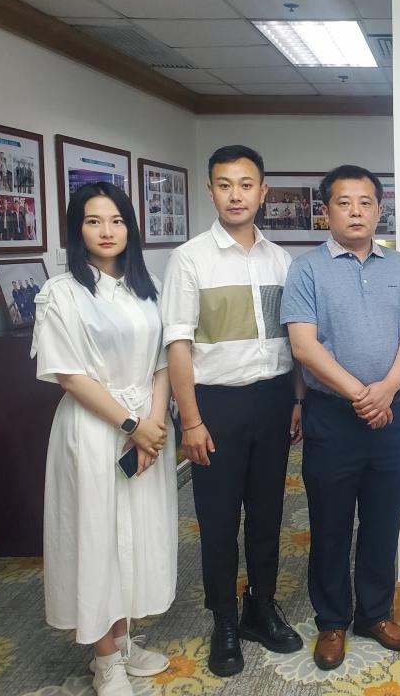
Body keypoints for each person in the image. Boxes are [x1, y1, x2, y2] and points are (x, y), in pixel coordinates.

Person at [162, 145, 303, 677]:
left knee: (267, 515)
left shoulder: (280, 259)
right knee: (218, 521)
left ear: (263, 192)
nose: (236, 195)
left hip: (273, 400)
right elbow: (177, 344)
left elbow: (293, 340)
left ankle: (260, 607)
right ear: (210, 191)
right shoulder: (189, 259)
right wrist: (191, 420)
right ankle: (223, 618)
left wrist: (296, 399)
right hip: (216, 405)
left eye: (246, 185)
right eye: (225, 185)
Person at [31, 181, 176, 695]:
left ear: (130, 227)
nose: (107, 231)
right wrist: (132, 426)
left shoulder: (147, 285)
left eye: (116, 220)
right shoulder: (62, 292)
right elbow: (70, 375)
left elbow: (164, 359)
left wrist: (154, 424)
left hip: (147, 427)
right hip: (95, 430)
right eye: (93, 221)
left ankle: (124, 638)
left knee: (134, 536)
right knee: (95, 538)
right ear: (78, 229)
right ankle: (105, 657)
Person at [281, 165, 400, 671]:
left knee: (383, 521)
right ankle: (332, 621)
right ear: (327, 211)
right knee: (331, 523)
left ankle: (375, 615)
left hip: (392, 413)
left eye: (366, 202)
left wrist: (384, 391)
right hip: (333, 416)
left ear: (380, 210)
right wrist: (361, 395)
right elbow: (304, 345)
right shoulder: (306, 269)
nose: (356, 212)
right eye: (344, 202)